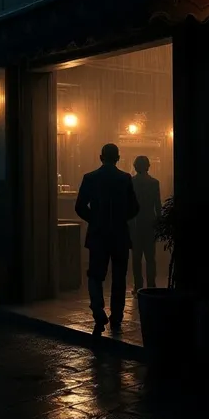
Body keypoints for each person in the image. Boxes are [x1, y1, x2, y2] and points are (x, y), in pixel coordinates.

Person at [75, 143, 139, 336]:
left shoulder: (90, 178)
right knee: (119, 276)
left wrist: (95, 219)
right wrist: (120, 218)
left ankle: (98, 310)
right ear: (118, 158)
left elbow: (79, 206)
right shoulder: (125, 178)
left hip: (98, 234)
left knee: (95, 274)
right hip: (119, 234)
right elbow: (134, 207)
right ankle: (117, 317)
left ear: (100, 157)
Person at [130, 155, 162, 294]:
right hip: (150, 222)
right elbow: (158, 205)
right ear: (148, 166)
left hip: (135, 223)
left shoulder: (131, 182)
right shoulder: (154, 183)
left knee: (136, 257)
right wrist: (160, 223)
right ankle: (151, 285)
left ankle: (138, 286)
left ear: (135, 166)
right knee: (150, 257)